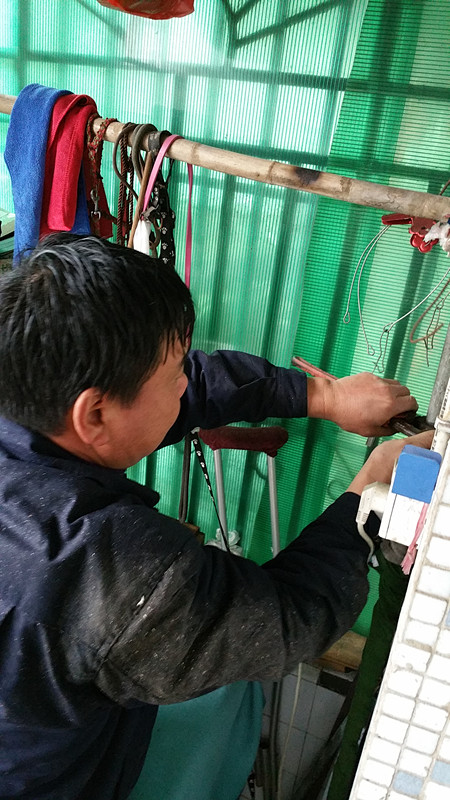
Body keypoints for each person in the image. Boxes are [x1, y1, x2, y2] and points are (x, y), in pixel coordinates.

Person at [0, 234, 427, 800]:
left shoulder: (27, 395)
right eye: (172, 373)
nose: (186, 381)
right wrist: (369, 490)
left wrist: (324, 396)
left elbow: (192, 387)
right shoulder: (108, 569)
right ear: (95, 413)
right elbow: (290, 617)